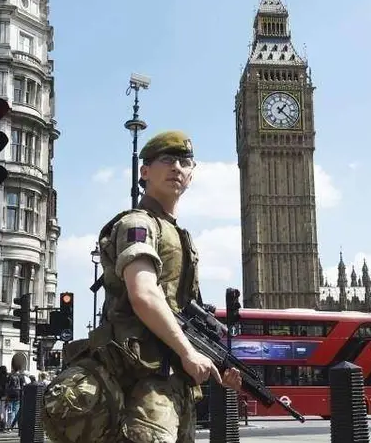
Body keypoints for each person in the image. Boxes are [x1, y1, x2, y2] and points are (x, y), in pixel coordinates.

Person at [42, 131, 242, 443]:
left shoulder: (180, 235)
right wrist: (189, 352)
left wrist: (214, 365)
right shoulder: (138, 223)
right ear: (145, 172)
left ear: (192, 174)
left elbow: (182, 316)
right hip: (142, 380)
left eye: (185, 162)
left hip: (175, 383)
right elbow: (144, 292)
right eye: (167, 159)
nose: (177, 167)